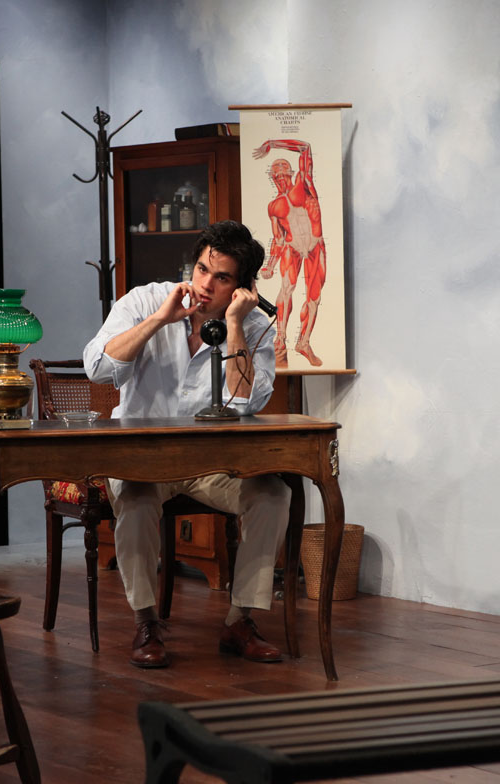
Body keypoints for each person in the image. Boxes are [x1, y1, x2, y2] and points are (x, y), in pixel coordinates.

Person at [83, 220, 291, 669]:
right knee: (135, 500)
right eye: (201, 269)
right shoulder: (145, 300)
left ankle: (240, 621)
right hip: (141, 458)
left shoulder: (255, 324)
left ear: (242, 287)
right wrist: (160, 319)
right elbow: (97, 369)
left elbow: (245, 404)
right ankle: (146, 622)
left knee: (273, 494)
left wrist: (234, 325)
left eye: (222, 278)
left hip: (211, 464)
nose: (205, 284)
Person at [252, 138, 327, 367]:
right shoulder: (274, 206)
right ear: (272, 177)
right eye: (276, 169)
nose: (281, 171)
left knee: (314, 297)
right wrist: (270, 265)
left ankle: (303, 342)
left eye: (284, 166)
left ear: (292, 171)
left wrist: (273, 143)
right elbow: (278, 238)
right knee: (286, 288)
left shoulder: (303, 184)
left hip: (315, 245)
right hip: (292, 248)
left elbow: (305, 147)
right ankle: (281, 338)